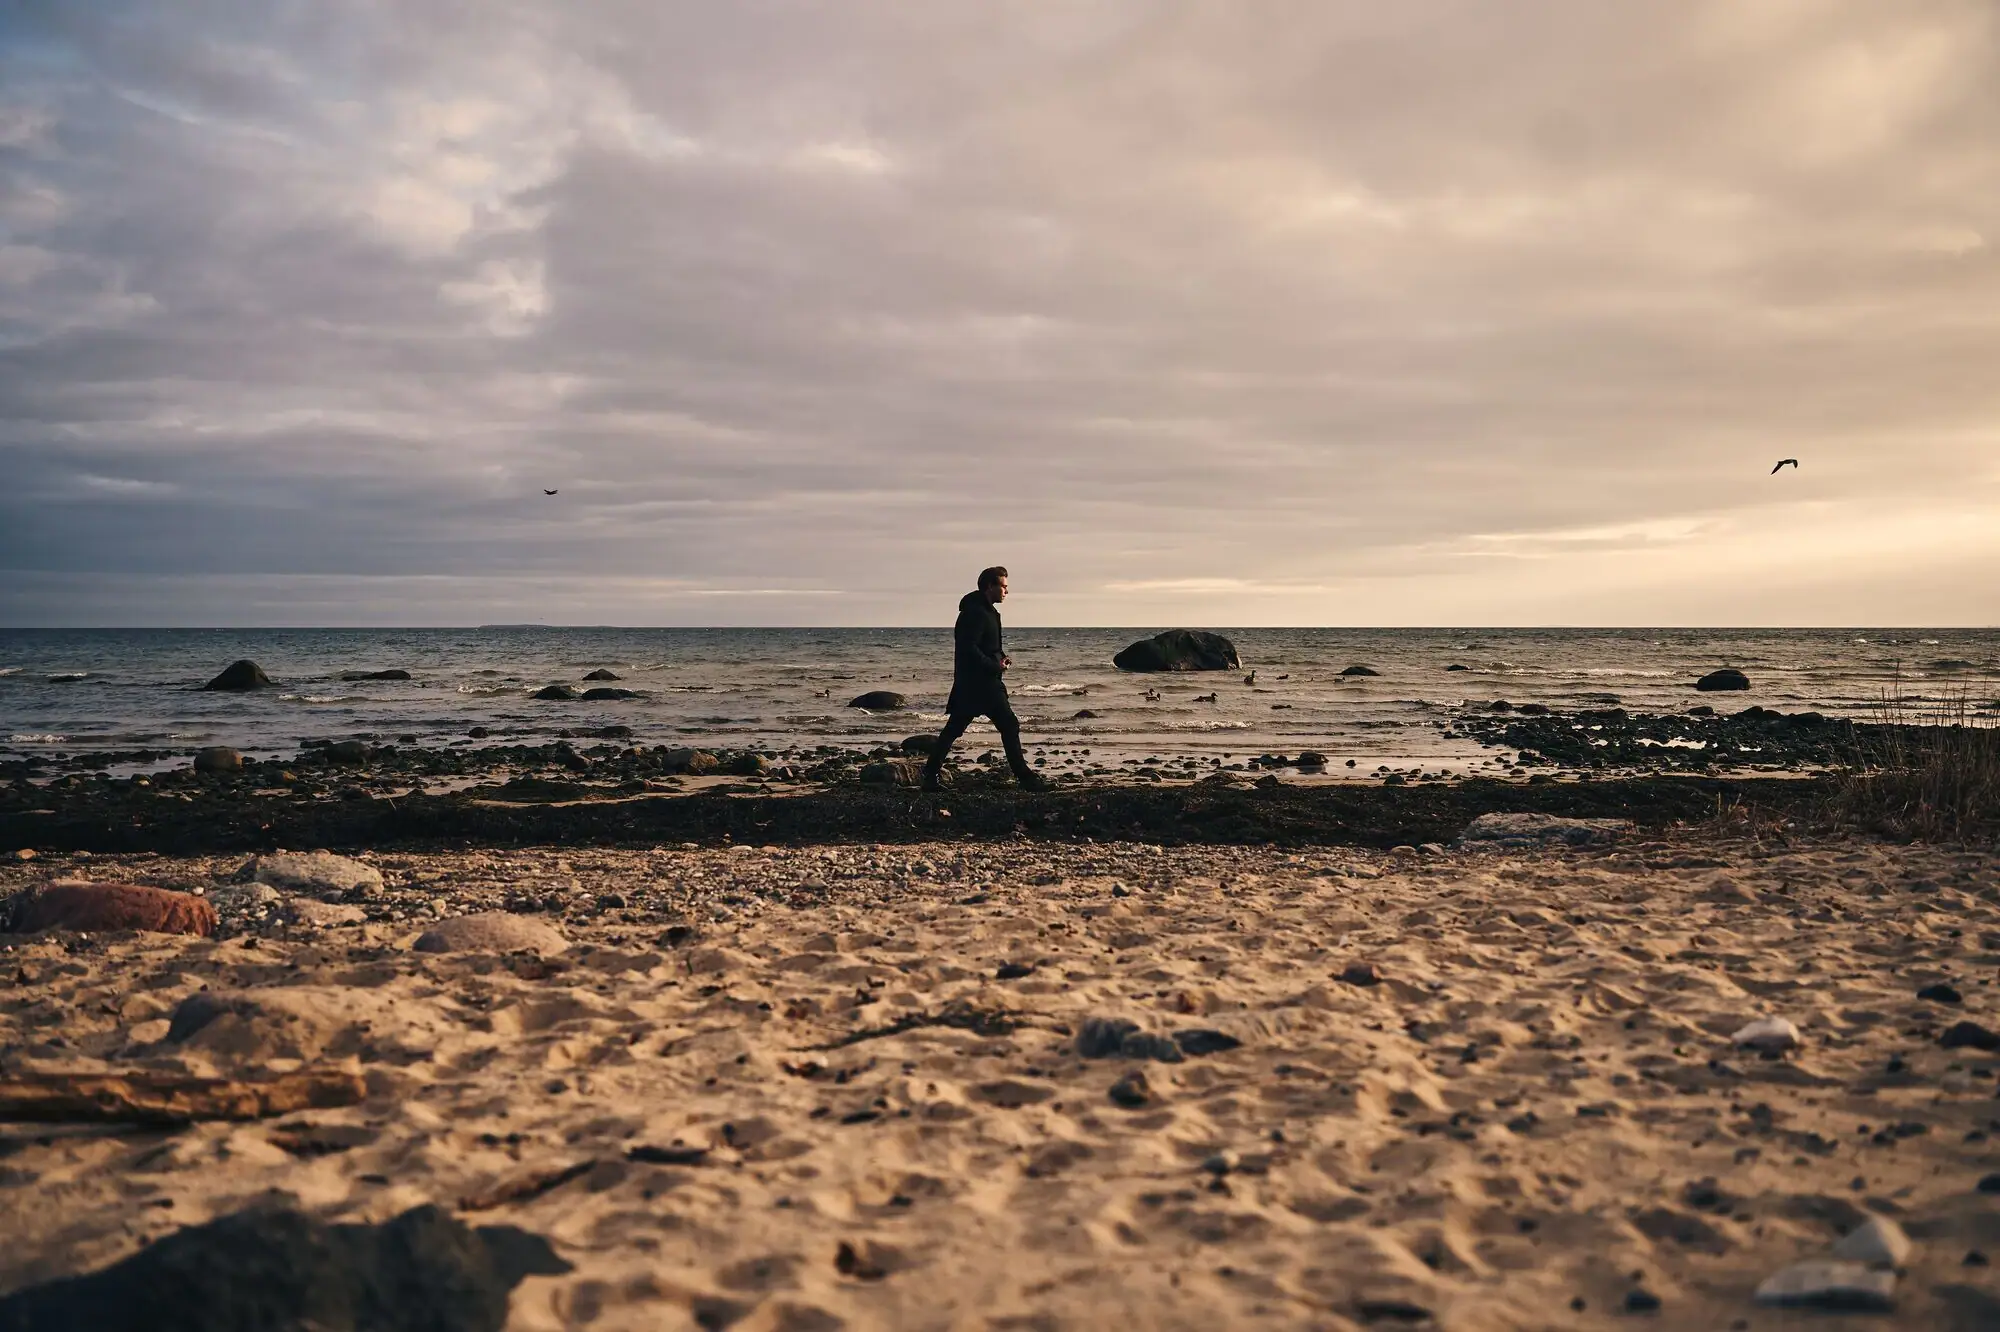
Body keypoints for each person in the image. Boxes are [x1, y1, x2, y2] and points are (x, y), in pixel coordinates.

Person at [922, 566, 1049, 792]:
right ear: (990, 586)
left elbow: (983, 646)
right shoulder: (975, 613)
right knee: (1007, 725)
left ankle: (930, 776)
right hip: (979, 684)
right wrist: (994, 665)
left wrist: (1001, 657)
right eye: (1004, 587)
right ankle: (1025, 778)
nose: (1006, 592)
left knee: (955, 729)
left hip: (978, 682)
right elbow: (967, 648)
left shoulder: (983, 611)